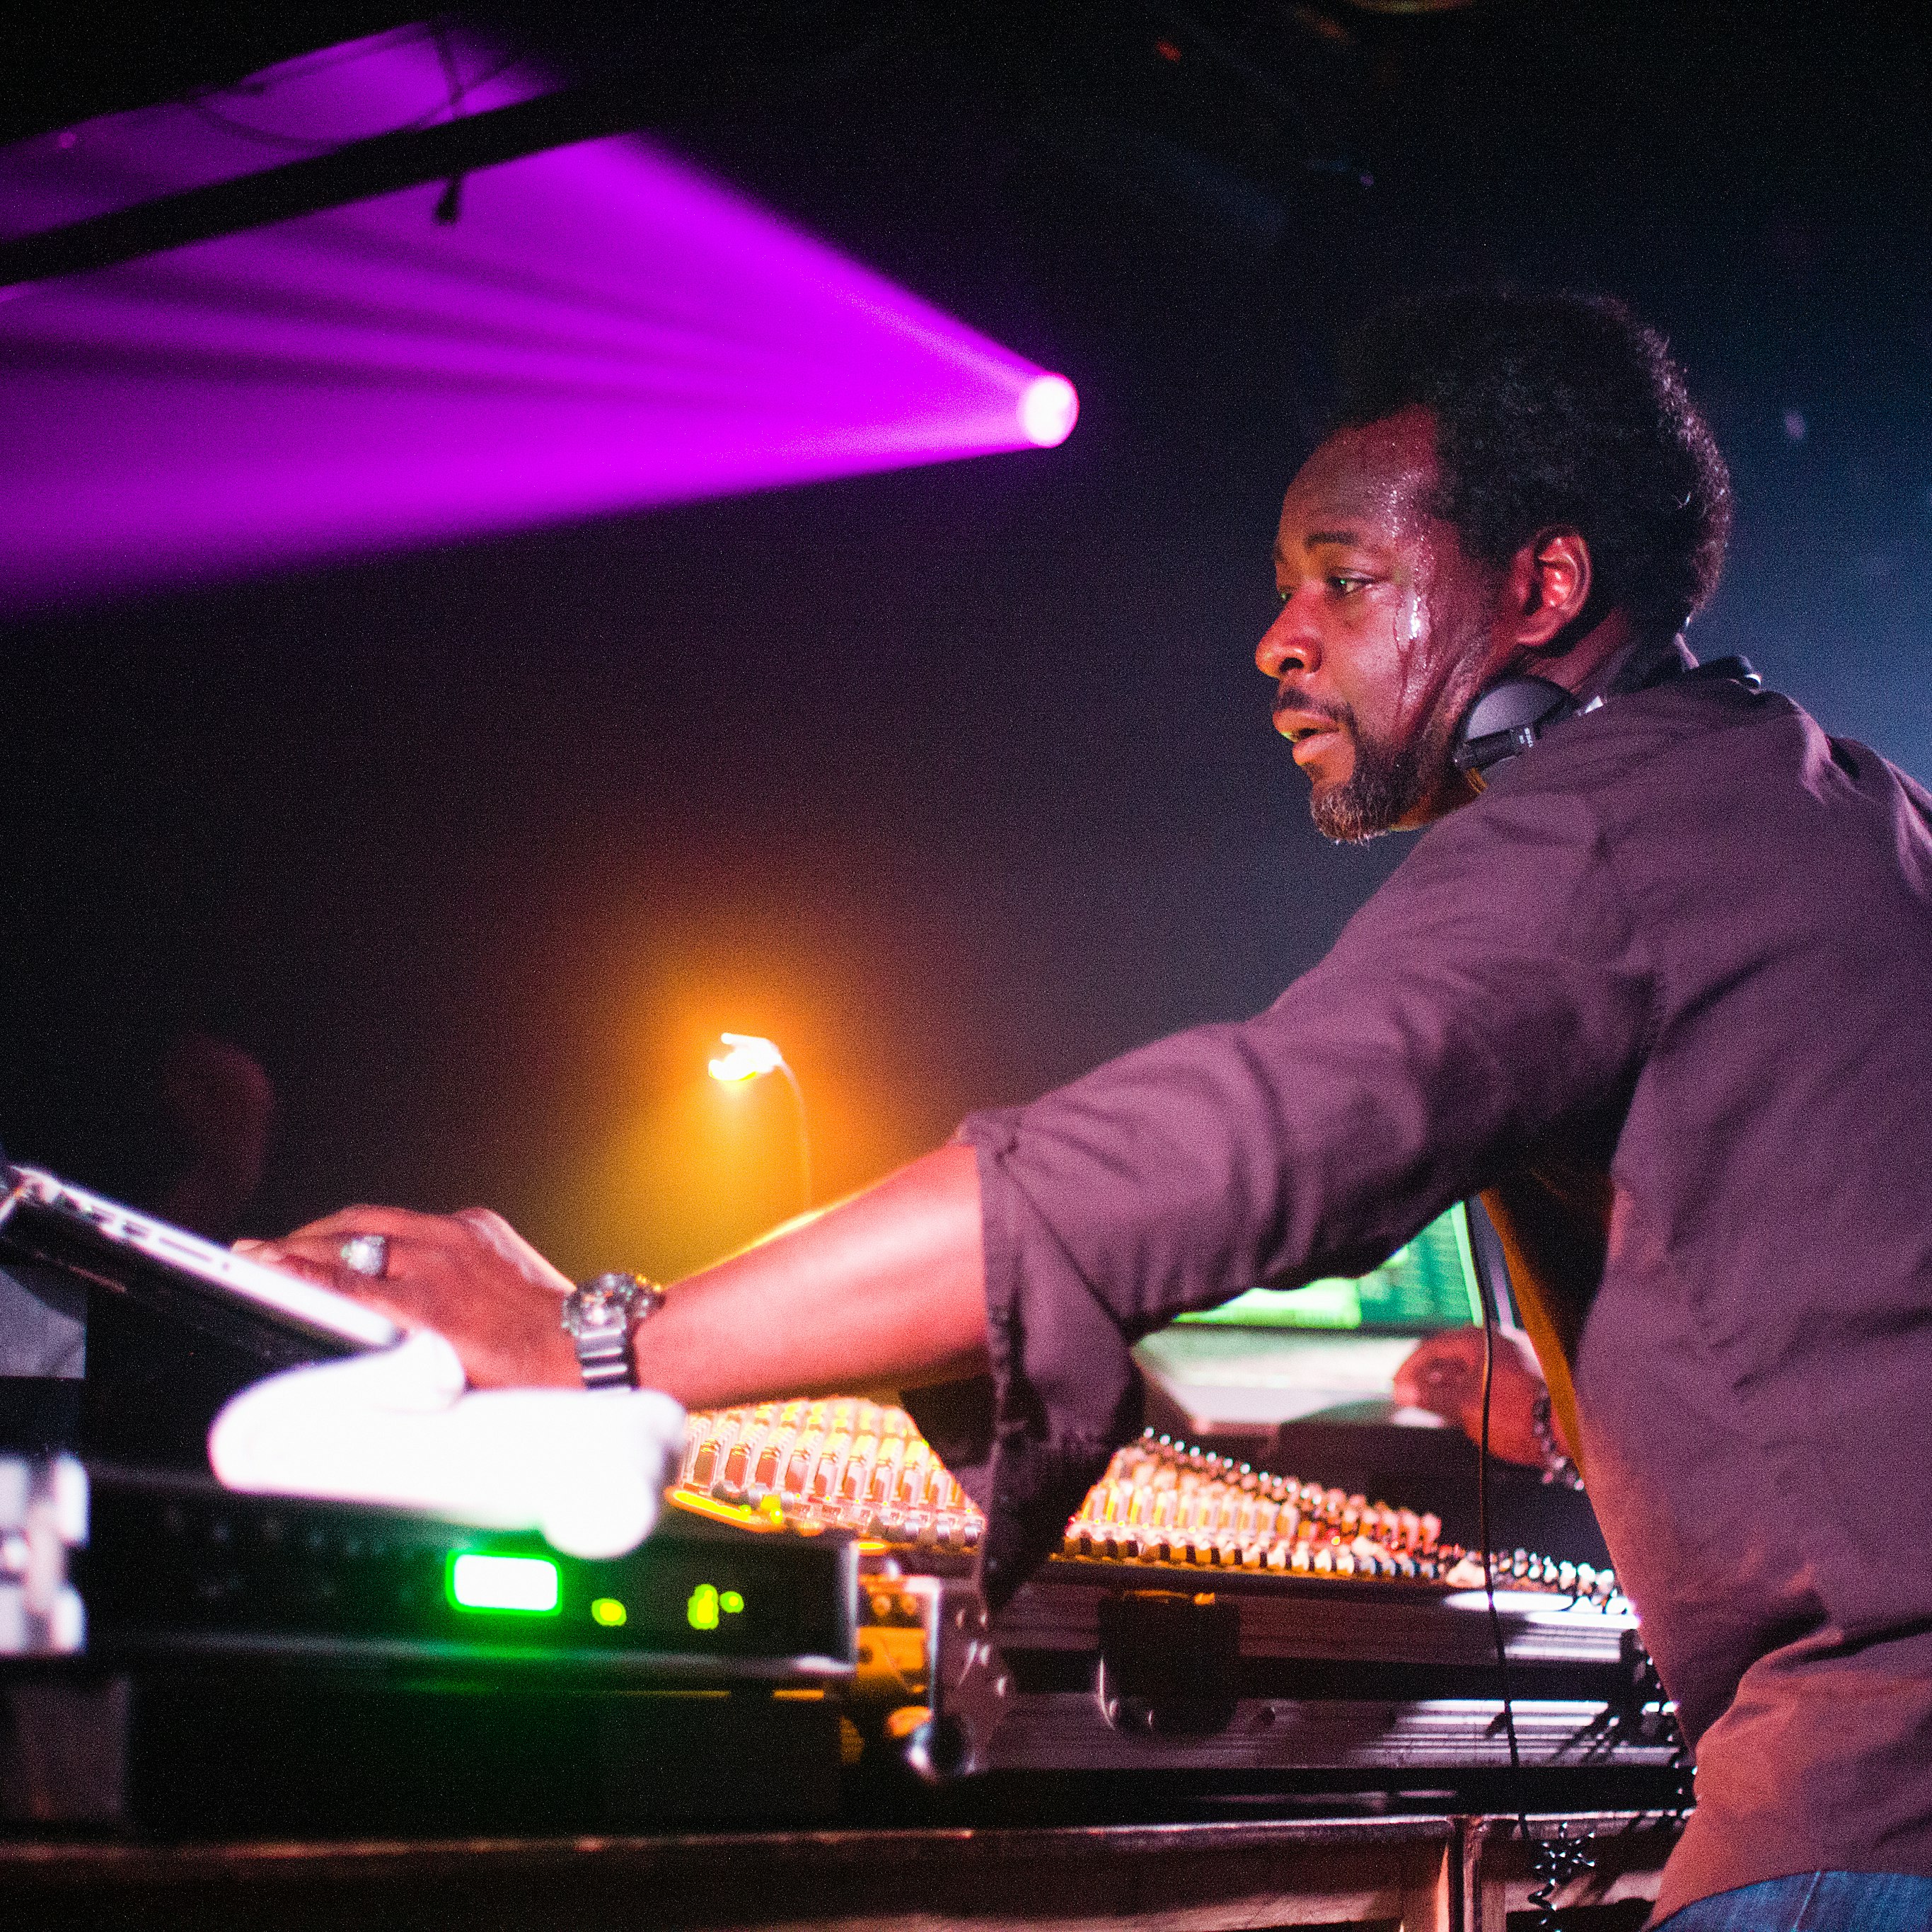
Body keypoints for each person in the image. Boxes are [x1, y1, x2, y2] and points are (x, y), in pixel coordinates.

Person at [245, 291, 1932, 1931]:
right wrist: (1587, 1401)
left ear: (1543, 587)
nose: (1279, 639)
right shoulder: (1852, 810)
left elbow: (1211, 1151)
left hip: (1867, 1801)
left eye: (1344, 580)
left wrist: (601, 1344)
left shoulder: (1594, 836)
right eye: (1282, 587)